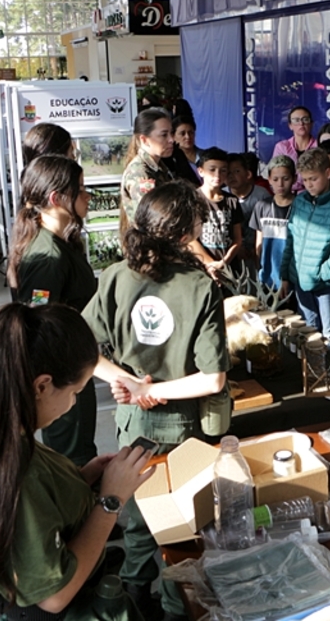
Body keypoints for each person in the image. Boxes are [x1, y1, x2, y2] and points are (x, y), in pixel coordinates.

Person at [0, 303, 152, 621]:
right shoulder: (19, 474)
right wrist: (111, 501)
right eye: (75, 391)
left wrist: (81, 478)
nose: (73, 402)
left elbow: (30, 517)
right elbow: (54, 597)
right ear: (42, 385)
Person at [83, 180, 231, 620]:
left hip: (133, 427)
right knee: (181, 524)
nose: (203, 225)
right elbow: (213, 378)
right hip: (183, 430)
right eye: (200, 220)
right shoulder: (200, 287)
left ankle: (131, 595)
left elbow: (79, 349)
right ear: (186, 231)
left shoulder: (114, 277)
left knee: (138, 521)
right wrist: (152, 389)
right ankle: (174, 607)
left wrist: (127, 382)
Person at [6, 155, 99, 467]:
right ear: (57, 199)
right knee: (73, 458)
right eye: (81, 189)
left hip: (73, 368)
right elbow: (40, 325)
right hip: (60, 374)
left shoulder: (62, 242)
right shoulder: (47, 257)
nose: (88, 196)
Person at [279, 148, 330, 366]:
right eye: (304, 180)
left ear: (328, 172)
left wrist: (322, 273)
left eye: (313, 179)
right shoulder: (300, 202)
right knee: (309, 332)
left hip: (327, 284)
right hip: (300, 281)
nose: (309, 184)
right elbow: (291, 240)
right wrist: (285, 274)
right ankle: (314, 378)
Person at [191, 148, 244, 283]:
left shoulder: (232, 201)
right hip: (201, 270)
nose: (217, 175)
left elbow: (237, 239)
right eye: (212, 169)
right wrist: (211, 265)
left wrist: (224, 263)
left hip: (230, 270)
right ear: (201, 171)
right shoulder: (192, 200)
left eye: (223, 170)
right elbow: (189, 239)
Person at [120, 109, 175, 235]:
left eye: (171, 133)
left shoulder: (160, 167)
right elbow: (151, 218)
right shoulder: (139, 172)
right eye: (164, 135)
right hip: (150, 247)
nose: (171, 139)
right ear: (144, 140)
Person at [251, 156, 295, 291]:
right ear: (269, 179)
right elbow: (258, 245)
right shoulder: (262, 206)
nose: (280, 184)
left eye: (285, 179)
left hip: (294, 277)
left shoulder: (301, 206)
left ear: (294, 178)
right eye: (275, 179)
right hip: (267, 277)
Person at [226, 152, 271, 274]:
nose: (231, 176)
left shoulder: (261, 195)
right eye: (228, 172)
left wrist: (257, 251)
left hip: (258, 252)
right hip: (233, 254)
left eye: (236, 171)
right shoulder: (223, 196)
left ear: (248, 174)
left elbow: (267, 229)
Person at [170, 114, 203, 186]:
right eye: (182, 133)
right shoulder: (171, 160)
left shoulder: (205, 156)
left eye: (191, 133)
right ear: (173, 136)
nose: (187, 137)